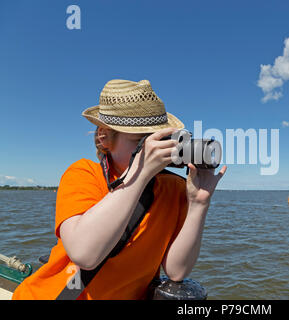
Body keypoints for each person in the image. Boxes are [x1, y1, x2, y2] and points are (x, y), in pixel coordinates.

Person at [12, 79, 226, 299]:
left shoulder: (174, 188)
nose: (157, 148)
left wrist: (199, 203)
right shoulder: (84, 174)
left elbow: (177, 270)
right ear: (104, 137)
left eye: (162, 139)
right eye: (143, 140)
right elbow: (84, 254)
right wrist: (140, 174)